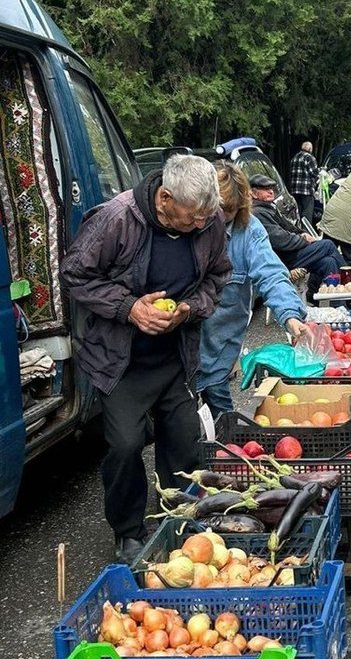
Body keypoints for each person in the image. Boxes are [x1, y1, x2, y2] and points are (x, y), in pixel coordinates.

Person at [61, 154, 231, 562]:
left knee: (184, 441)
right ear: (165, 198)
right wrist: (130, 307)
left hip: (174, 356)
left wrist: (190, 308)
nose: (199, 225)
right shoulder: (117, 219)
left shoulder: (209, 219)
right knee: (124, 446)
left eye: (206, 218)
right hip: (122, 361)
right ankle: (128, 530)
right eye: (191, 218)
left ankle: (179, 520)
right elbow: (74, 275)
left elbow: (218, 276)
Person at [198, 164, 308, 416]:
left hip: (219, 344)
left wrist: (290, 315)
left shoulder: (248, 229)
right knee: (178, 427)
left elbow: (270, 273)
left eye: (233, 210)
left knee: (221, 415)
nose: (226, 216)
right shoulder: (188, 225)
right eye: (222, 208)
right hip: (180, 348)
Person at [249, 174, 343, 300]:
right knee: (327, 245)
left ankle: (336, 303)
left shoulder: (268, 207)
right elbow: (281, 240)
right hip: (281, 258)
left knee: (328, 262)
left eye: (271, 188)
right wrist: (304, 240)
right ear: (254, 194)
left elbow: (289, 227)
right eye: (265, 189)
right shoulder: (257, 213)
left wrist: (302, 233)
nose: (271, 191)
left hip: (289, 253)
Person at [289, 141, 319, 224]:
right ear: (310, 149)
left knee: (298, 213)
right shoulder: (310, 158)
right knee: (307, 214)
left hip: (295, 190)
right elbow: (314, 173)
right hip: (306, 190)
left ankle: (299, 231)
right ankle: (306, 233)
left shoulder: (294, 158)